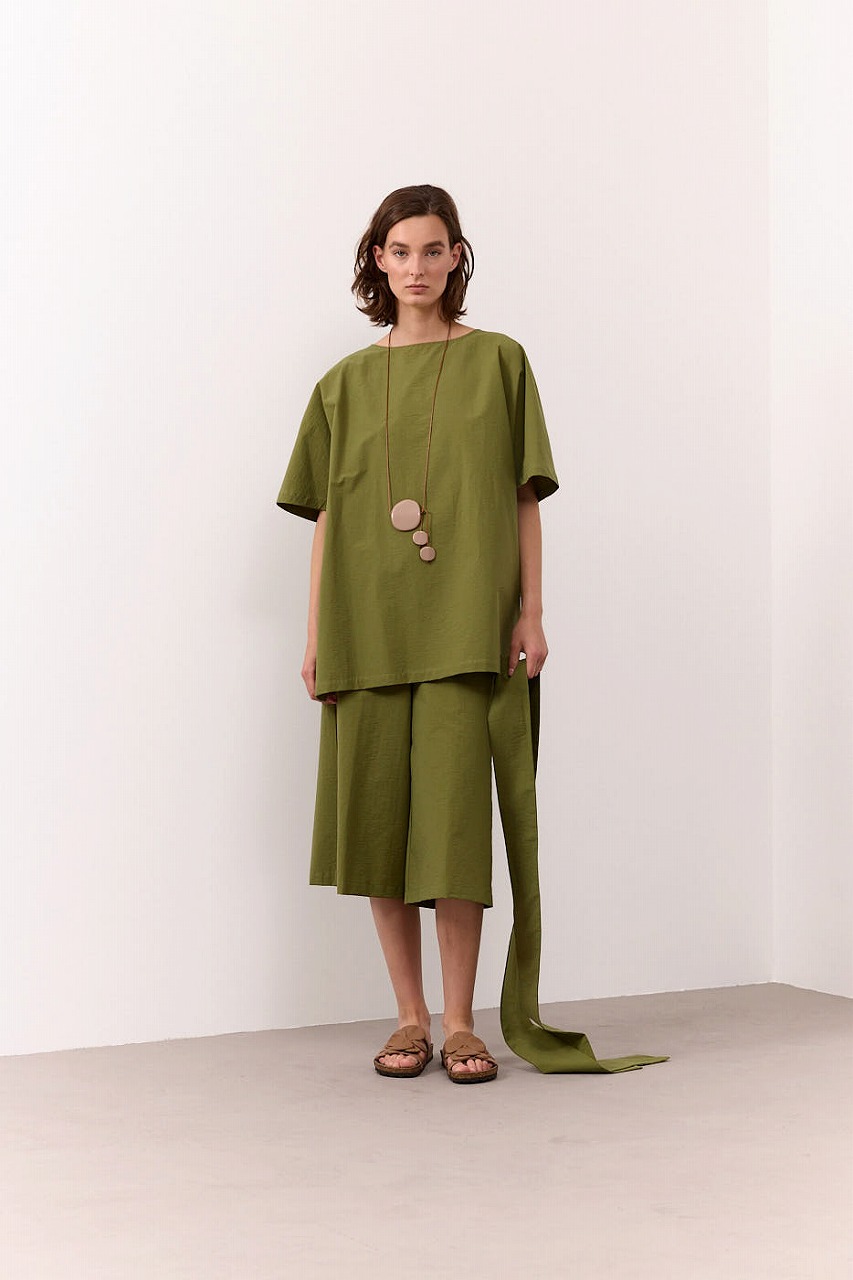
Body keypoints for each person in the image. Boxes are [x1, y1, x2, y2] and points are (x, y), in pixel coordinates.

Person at [277, 184, 667, 1083]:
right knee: (377, 827)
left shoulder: (499, 361)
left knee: (453, 831)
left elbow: (524, 497)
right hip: (365, 633)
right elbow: (328, 519)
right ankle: (407, 1018)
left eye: (432, 249)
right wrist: (315, 637)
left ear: (456, 256)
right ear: (377, 260)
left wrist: (531, 611)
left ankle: (460, 1023)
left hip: (466, 628)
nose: (415, 267)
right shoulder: (341, 383)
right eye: (399, 251)